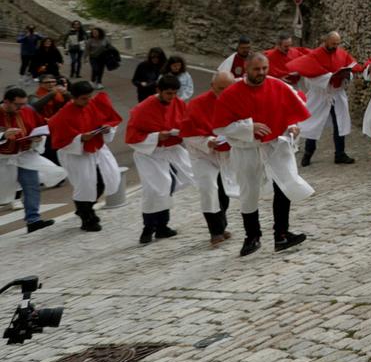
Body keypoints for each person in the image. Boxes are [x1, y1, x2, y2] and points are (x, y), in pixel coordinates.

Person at [212, 52, 315, 256]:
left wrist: (293, 125)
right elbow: (220, 126)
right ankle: (252, 237)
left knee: (284, 186)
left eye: (264, 69)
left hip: (276, 145)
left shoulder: (277, 85)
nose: (261, 73)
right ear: (246, 69)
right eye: (256, 69)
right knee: (249, 192)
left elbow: (291, 108)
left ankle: (282, 235)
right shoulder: (232, 93)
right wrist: (248, 127)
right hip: (247, 149)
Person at [125, 75, 194, 245]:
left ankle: (162, 226)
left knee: (167, 187)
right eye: (168, 93)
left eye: (174, 93)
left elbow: (187, 123)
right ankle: (148, 227)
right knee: (154, 190)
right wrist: (156, 136)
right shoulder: (143, 109)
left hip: (170, 151)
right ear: (159, 91)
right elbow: (132, 137)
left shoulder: (178, 103)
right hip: (150, 154)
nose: (172, 97)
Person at [49, 80, 126, 231]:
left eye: (89, 97)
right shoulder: (63, 115)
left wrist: (106, 129)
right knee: (85, 186)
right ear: (74, 97)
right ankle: (87, 218)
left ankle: (85, 208)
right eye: (84, 98)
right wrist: (80, 139)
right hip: (76, 154)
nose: (88, 101)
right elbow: (60, 141)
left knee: (103, 181)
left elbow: (107, 121)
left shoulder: (91, 105)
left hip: (96, 149)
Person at [182, 71, 240, 246]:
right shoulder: (196, 105)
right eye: (220, 89)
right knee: (209, 188)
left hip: (225, 154)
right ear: (212, 86)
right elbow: (187, 133)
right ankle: (215, 231)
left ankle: (222, 226)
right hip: (202, 154)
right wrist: (208, 141)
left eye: (228, 89)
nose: (224, 93)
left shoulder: (238, 100)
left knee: (224, 191)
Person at [289, 31, 358, 166]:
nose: (336, 46)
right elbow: (310, 75)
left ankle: (340, 154)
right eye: (333, 43)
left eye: (338, 44)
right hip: (320, 95)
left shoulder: (341, 53)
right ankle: (308, 154)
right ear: (326, 41)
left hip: (337, 94)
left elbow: (352, 67)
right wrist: (329, 77)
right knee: (314, 124)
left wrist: (346, 75)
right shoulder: (315, 55)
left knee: (340, 124)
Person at [1, 86, 59, 232]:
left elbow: (40, 127)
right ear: (6, 101)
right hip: (3, 159)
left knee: (31, 186)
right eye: (18, 105)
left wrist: (38, 138)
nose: (21, 108)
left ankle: (33, 220)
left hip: (25, 155)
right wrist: (3, 135)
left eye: (23, 104)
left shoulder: (28, 110)